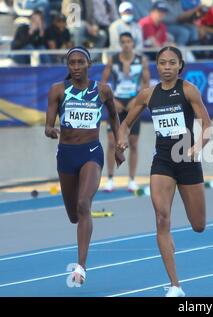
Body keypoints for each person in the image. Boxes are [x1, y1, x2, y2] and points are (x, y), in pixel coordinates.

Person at [117, 46, 212, 297]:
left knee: (199, 225)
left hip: (187, 160)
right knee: (161, 218)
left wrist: (198, 145)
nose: (167, 67)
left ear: (180, 66)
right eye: (162, 63)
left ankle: (170, 244)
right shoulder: (149, 95)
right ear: (156, 66)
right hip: (163, 162)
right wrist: (121, 140)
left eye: (172, 63)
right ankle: (175, 286)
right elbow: (125, 122)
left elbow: (208, 126)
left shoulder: (188, 90)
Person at [45, 46, 125, 286]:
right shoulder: (58, 90)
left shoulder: (102, 90)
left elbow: (113, 116)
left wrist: (119, 143)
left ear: (89, 64)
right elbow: (48, 125)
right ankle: (80, 226)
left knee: (83, 203)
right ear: (68, 66)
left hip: (91, 152)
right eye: (72, 63)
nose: (77, 67)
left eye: (81, 62)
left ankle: (81, 266)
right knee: (73, 215)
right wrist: (51, 130)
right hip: (66, 155)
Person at [101, 32, 150, 192]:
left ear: (133, 43)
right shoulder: (112, 60)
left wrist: (137, 101)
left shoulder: (141, 60)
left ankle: (132, 179)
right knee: (111, 143)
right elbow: (103, 84)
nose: (126, 44)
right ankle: (109, 179)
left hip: (133, 105)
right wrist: (112, 101)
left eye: (129, 41)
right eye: (123, 42)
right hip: (116, 104)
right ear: (120, 44)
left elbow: (146, 83)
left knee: (133, 143)